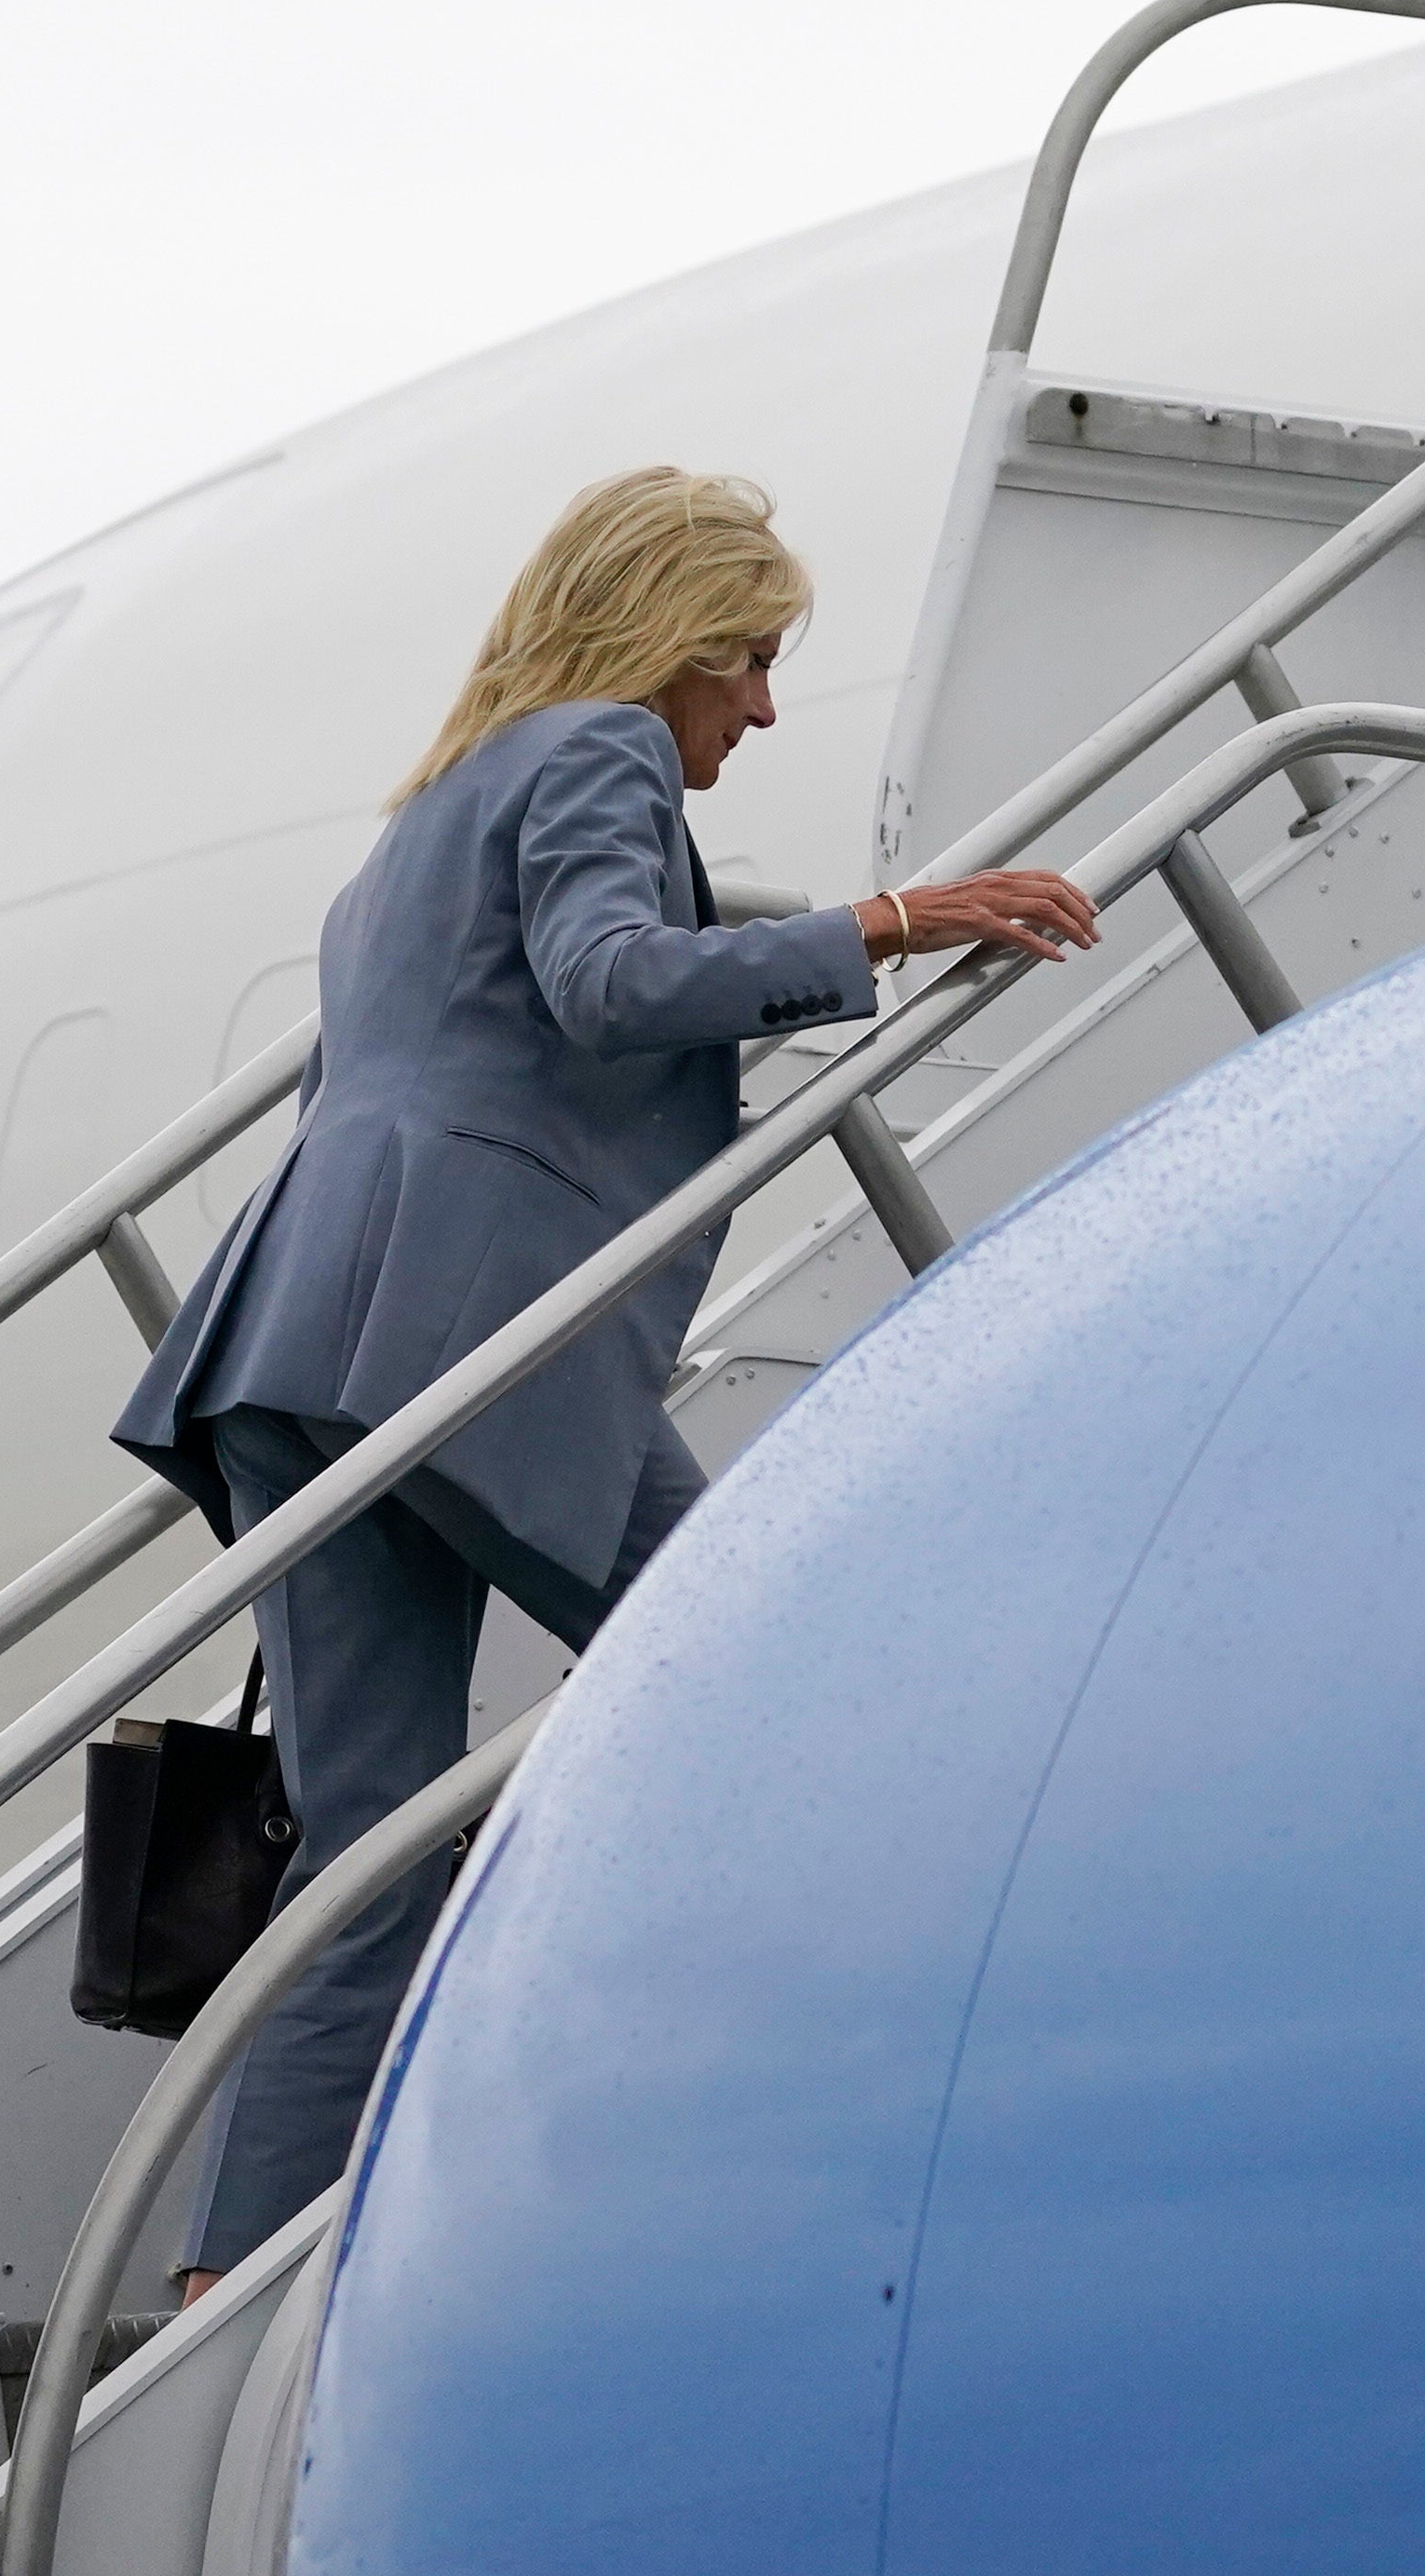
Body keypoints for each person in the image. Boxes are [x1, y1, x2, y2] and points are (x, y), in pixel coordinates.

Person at [110, 468, 1099, 2289]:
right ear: (667, 640)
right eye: (748, 656)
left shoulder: (422, 814)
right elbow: (611, 978)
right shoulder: (596, 752)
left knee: (370, 1846)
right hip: (458, 1327)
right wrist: (895, 918)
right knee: (749, 1648)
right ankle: (857, 2086)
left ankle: (207, 2280)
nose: (763, 705)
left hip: (295, 1334)